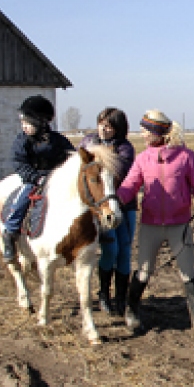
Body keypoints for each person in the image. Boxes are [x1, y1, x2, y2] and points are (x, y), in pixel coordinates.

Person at [117, 109, 194, 345]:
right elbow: (130, 185)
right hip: (150, 224)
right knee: (144, 271)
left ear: (157, 132)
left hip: (179, 225)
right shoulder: (142, 159)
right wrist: (114, 200)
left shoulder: (186, 157)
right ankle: (131, 311)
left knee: (188, 273)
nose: (141, 136)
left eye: (144, 131)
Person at [1, 96, 75, 262]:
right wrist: (36, 178)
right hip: (33, 179)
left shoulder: (58, 140)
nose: (24, 127)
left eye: (28, 123)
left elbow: (71, 156)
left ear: (40, 122)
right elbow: (19, 163)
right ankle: (10, 231)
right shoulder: (22, 141)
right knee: (22, 199)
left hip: (56, 179)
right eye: (22, 124)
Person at [80, 108, 137, 316]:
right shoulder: (88, 142)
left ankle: (121, 298)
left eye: (109, 126)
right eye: (101, 124)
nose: (104, 129)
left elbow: (118, 171)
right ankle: (104, 293)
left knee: (124, 251)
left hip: (124, 205)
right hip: (102, 207)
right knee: (110, 250)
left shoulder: (125, 148)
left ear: (118, 129)